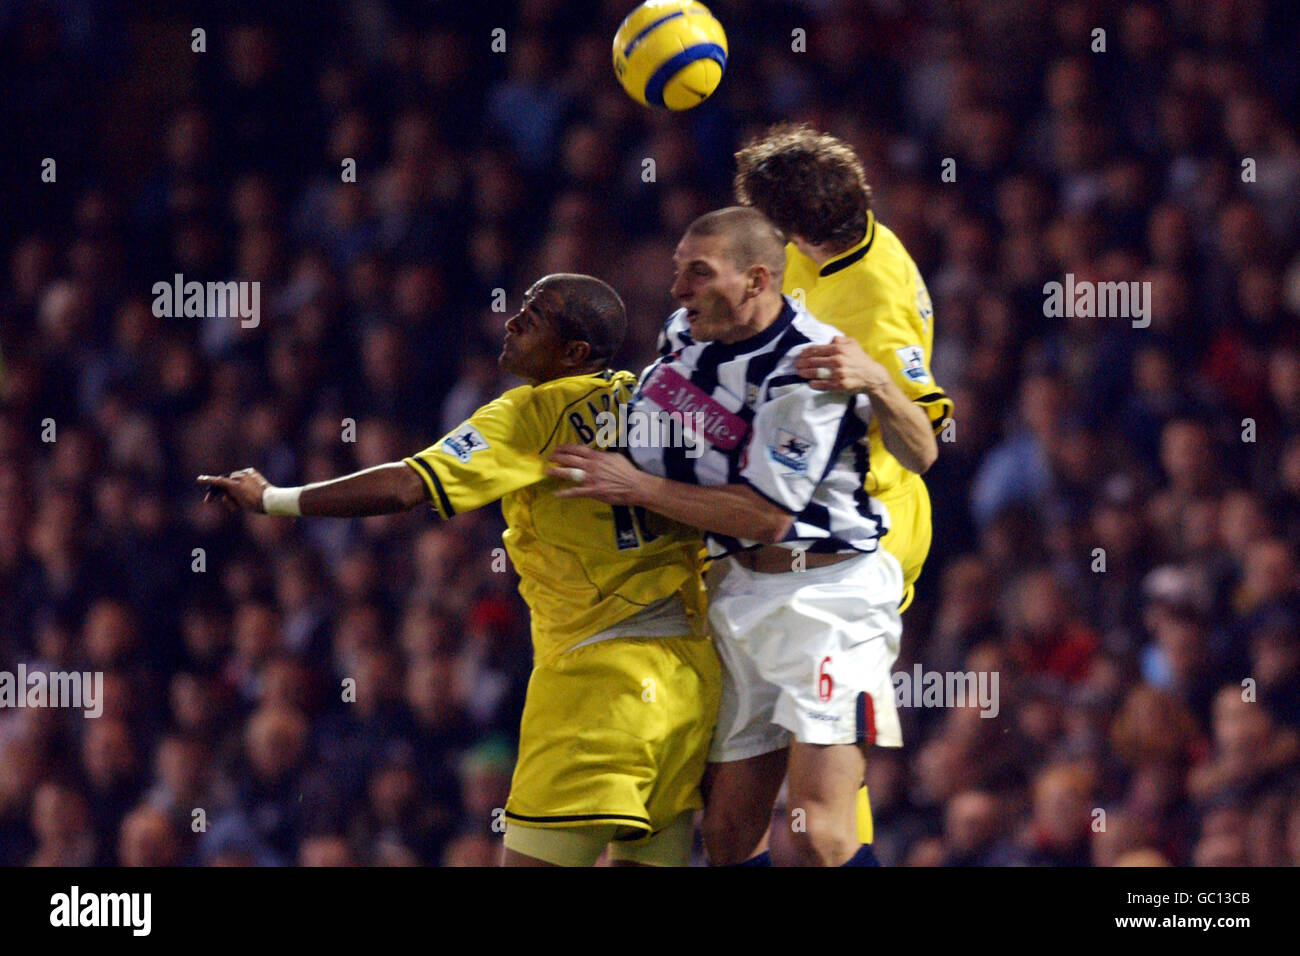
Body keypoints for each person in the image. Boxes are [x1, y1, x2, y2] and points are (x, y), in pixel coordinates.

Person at [198, 273, 720, 867]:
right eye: (520, 307)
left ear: (575, 354)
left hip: (599, 683)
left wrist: (273, 499)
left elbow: (404, 487)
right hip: (686, 679)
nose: (512, 321)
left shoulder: (532, 412)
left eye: (535, 316)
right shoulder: (657, 400)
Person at [550, 208, 917, 866]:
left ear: (755, 280)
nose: (678, 289)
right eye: (676, 270)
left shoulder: (807, 364)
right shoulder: (680, 336)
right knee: (725, 838)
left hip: (828, 598)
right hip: (736, 592)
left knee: (813, 833)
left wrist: (637, 488)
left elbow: (765, 516)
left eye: (698, 272)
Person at [733, 123, 953, 848]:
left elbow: (924, 448)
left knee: (816, 764)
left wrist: (876, 377)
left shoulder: (878, 299)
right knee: (793, 772)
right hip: (803, 515)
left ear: (795, 229)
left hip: (868, 532)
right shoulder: (813, 248)